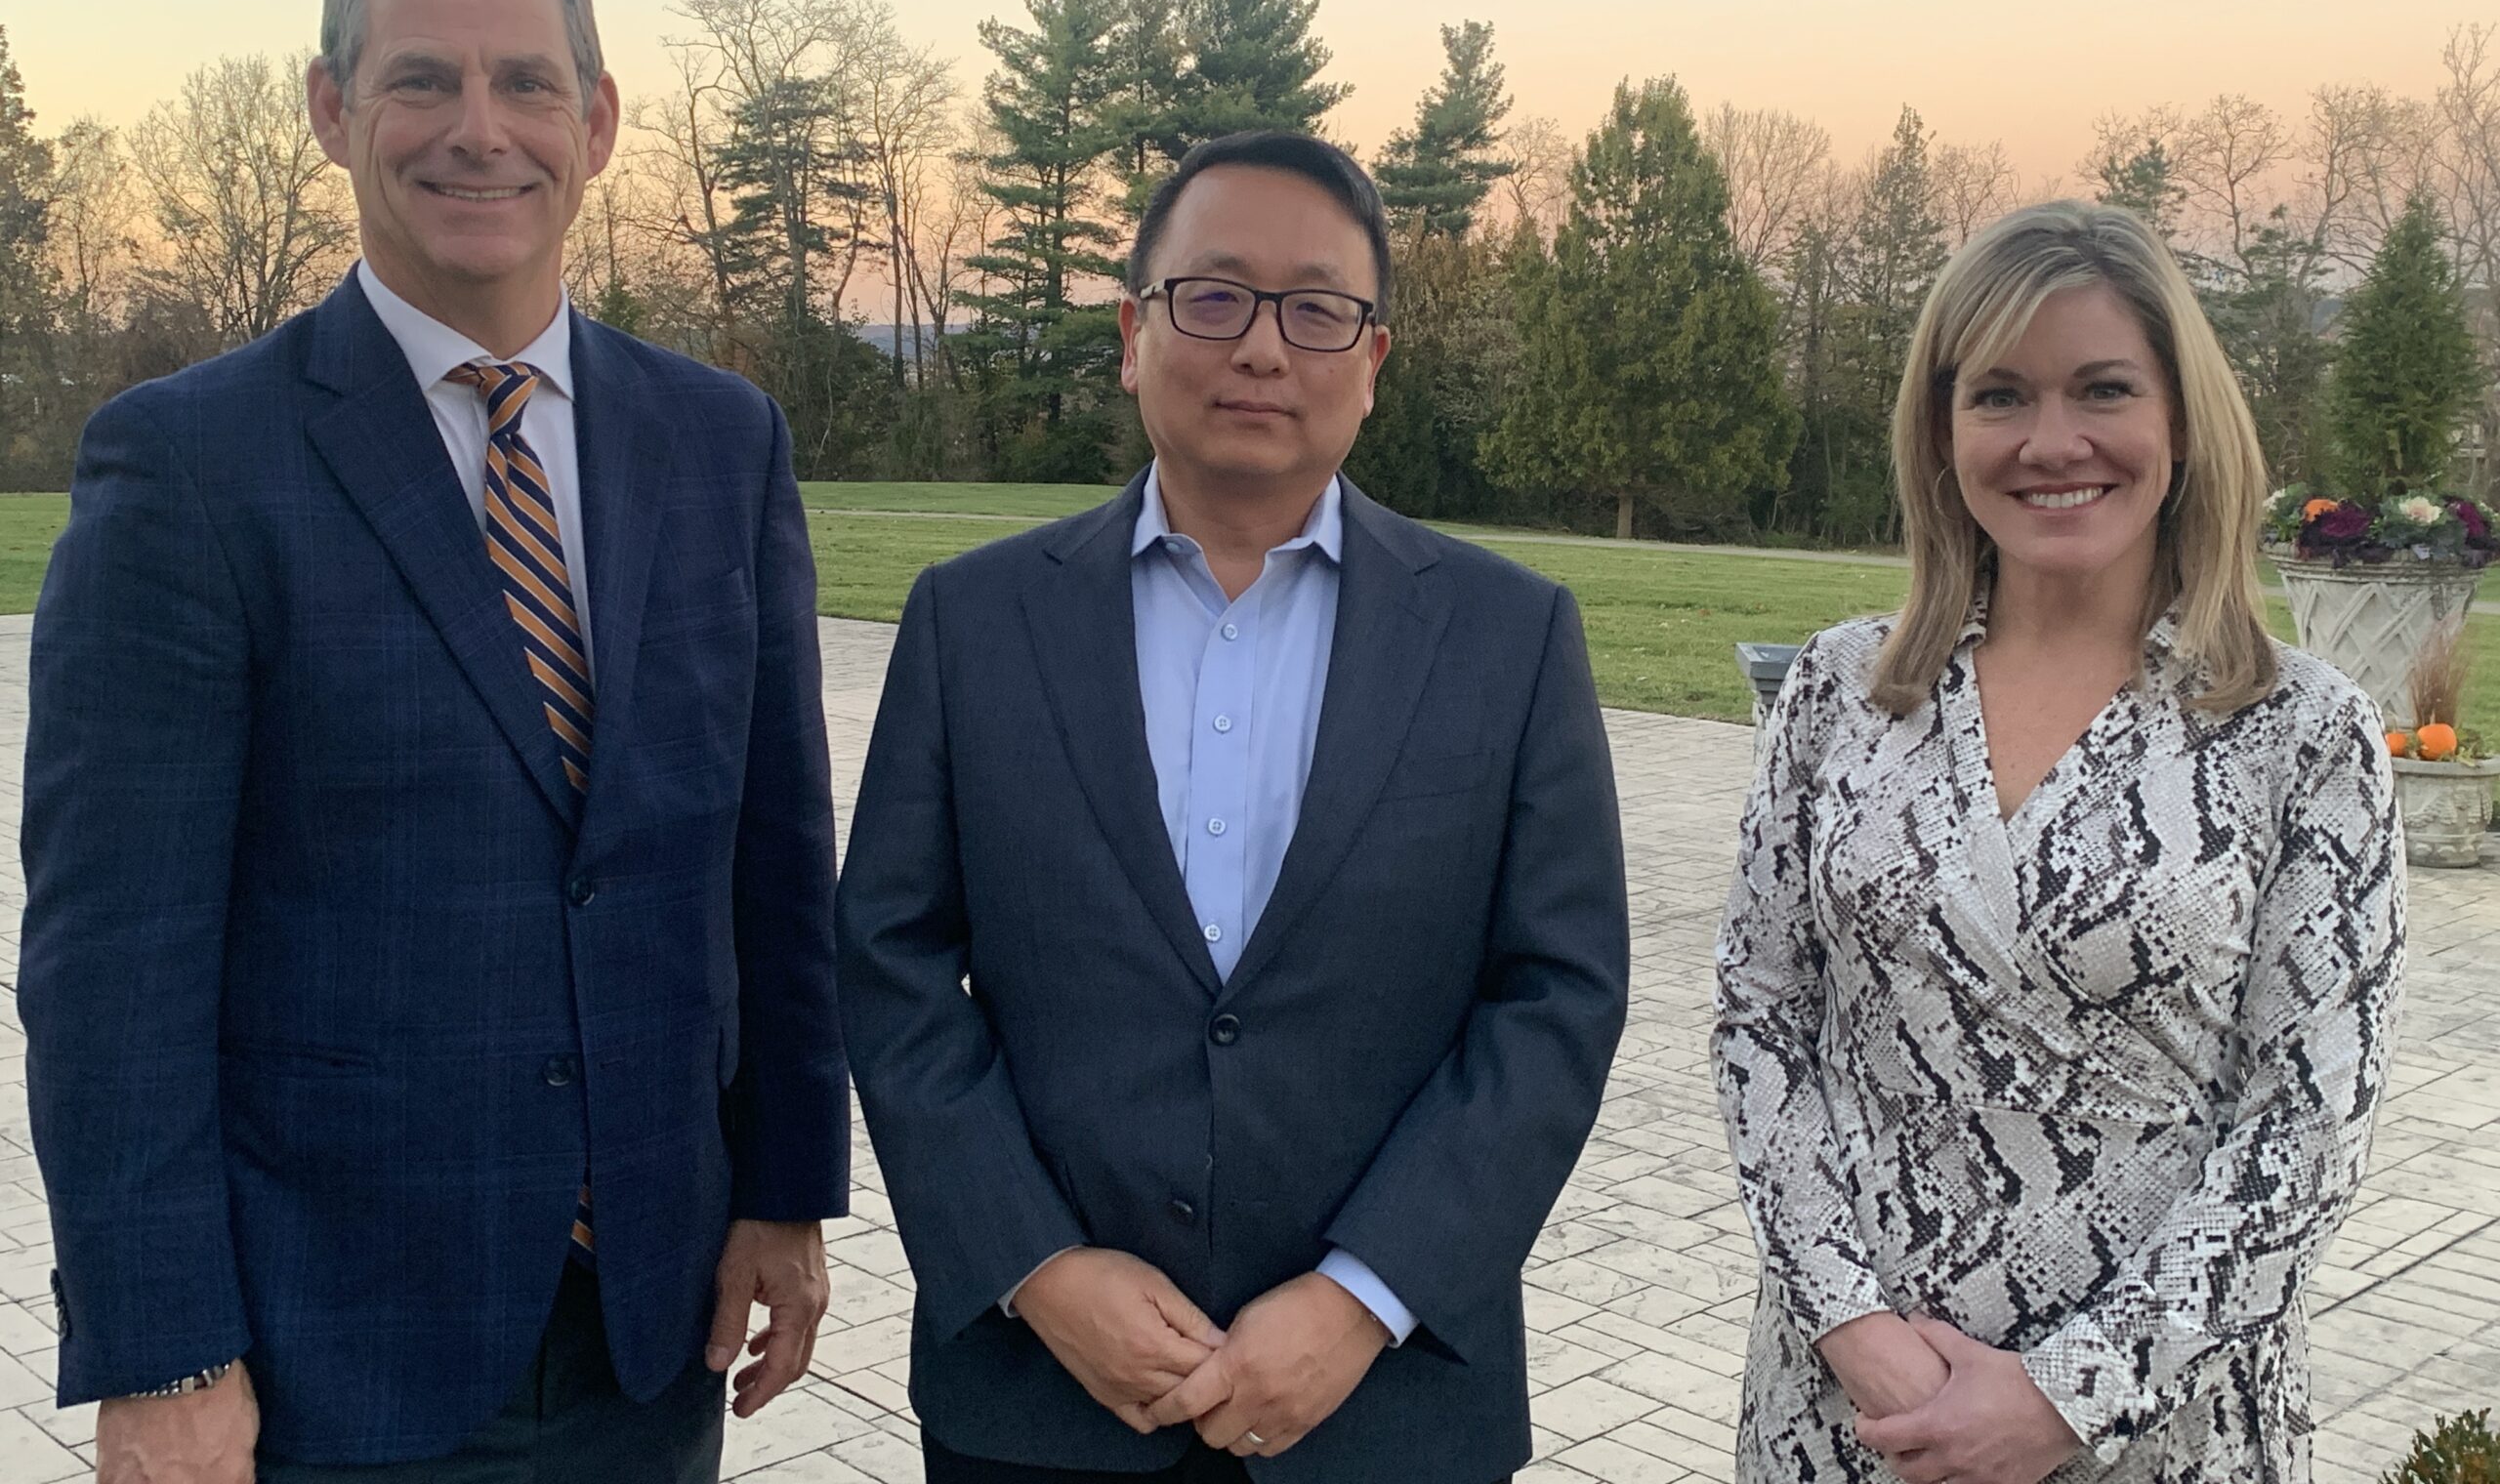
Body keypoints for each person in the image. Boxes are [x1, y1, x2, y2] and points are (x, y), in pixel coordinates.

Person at [21, 0, 848, 1482]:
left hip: (649, 1334)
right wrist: (163, 1348)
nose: (482, 131)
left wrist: (785, 1193)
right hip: (325, 1351)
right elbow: (113, 958)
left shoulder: (720, 440)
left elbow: (771, 865)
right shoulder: (189, 465)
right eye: (422, 79)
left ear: (596, 118)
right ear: (333, 108)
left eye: (527, 81)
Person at [835, 129, 1630, 1483]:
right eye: (1213, 297)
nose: (1264, 347)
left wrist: (1365, 1295)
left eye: (1318, 310)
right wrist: (1031, 1264)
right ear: (1134, 335)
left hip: (1386, 1410)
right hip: (1043, 1405)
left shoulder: (1509, 637)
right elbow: (890, 960)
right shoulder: (974, 621)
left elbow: (1557, 996)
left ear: (1371, 362)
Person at [1713, 200, 2405, 1483]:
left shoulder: (2302, 733)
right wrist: (1854, 1325)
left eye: (2102, 390)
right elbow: (1761, 1018)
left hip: (2162, 1427)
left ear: (2183, 422)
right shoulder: (1839, 693)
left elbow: (2309, 1123)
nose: (2051, 442)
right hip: (1854, 1416)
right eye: (2000, 397)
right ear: (1941, 428)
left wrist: (2065, 1397)